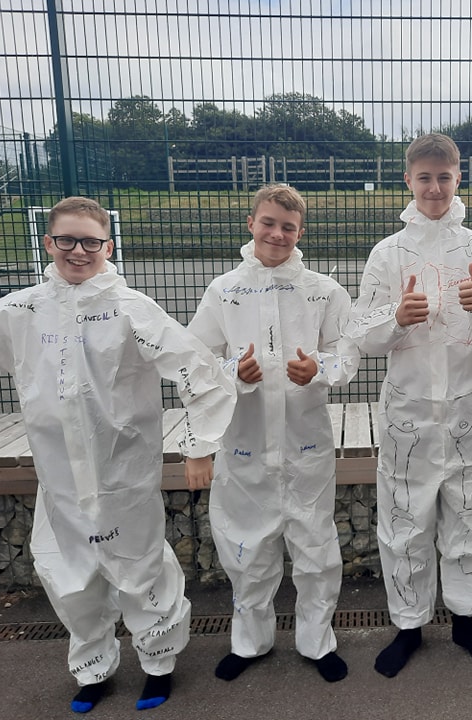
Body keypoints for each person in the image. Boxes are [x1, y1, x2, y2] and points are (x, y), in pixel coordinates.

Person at [0, 197, 236, 713]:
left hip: (125, 476)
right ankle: (93, 670)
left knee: (140, 570)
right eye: (66, 239)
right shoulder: (20, 310)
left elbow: (199, 372)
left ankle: (157, 665)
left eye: (91, 241)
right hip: (60, 479)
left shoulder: (132, 309)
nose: (78, 251)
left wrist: (199, 447)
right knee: (69, 577)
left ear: (108, 246)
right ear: (48, 243)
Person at [346, 133, 472, 677]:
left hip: (468, 416)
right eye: (424, 177)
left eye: (444, 176)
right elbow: (360, 332)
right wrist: (396, 318)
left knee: (468, 521)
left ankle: (466, 622)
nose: (434, 187)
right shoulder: (388, 254)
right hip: (408, 420)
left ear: (459, 177)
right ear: (408, 180)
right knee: (404, 524)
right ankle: (408, 626)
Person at [188, 184, 358, 683]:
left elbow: (346, 355)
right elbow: (195, 362)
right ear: (251, 223)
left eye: (288, 226)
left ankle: (317, 640)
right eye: (269, 223)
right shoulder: (224, 291)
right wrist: (233, 374)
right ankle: (249, 642)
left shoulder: (324, 291)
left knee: (315, 546)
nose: (277, 234)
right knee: (247, 549)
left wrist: (319, 370)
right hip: (244, 446)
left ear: (300, 232)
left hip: (306, 444)